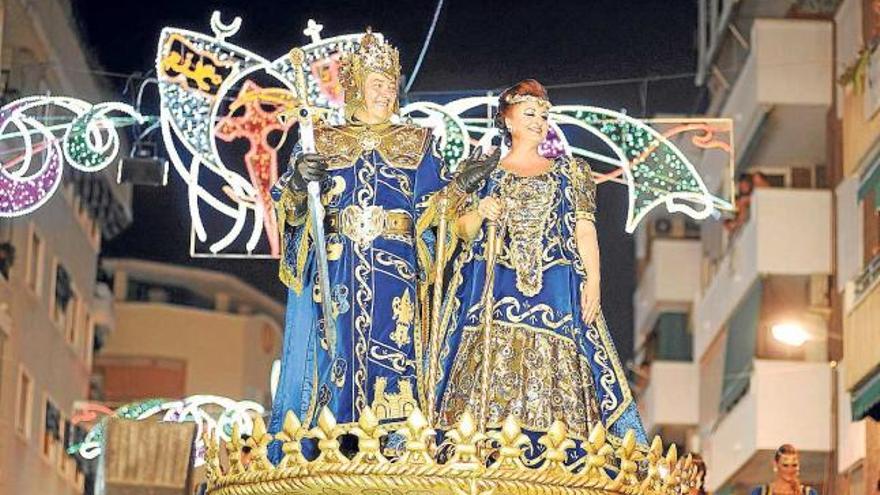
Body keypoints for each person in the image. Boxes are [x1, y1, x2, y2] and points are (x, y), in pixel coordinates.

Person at [268, 30, 493, 445]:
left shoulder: (418, 143)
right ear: (355, 87)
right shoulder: (322, 140)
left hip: (395, 265)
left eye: (390, 85)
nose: (385, 93)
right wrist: (300, 182)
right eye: (376, 84)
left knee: (394, 351)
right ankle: (329, 442)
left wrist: (461, 186)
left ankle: (393, 446)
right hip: (337, 265)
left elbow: (438, 212)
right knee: (334, 351)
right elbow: (289, 202)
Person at [433, 79, 647, 451]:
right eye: (529, 113)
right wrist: (480, 212)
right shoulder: (482, 170)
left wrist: (594, 279)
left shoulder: (570, 171)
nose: (538, 120)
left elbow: (584, 227)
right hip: (491, 292)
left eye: (544, 115)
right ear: (508, 120)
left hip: (556, 290)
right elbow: (458, 230)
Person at [751, 444, 818, 495]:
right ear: (776, 465)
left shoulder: (809, 493)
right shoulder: (760, 492)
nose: (790, 470)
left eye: (794, 465)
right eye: (785, 465)